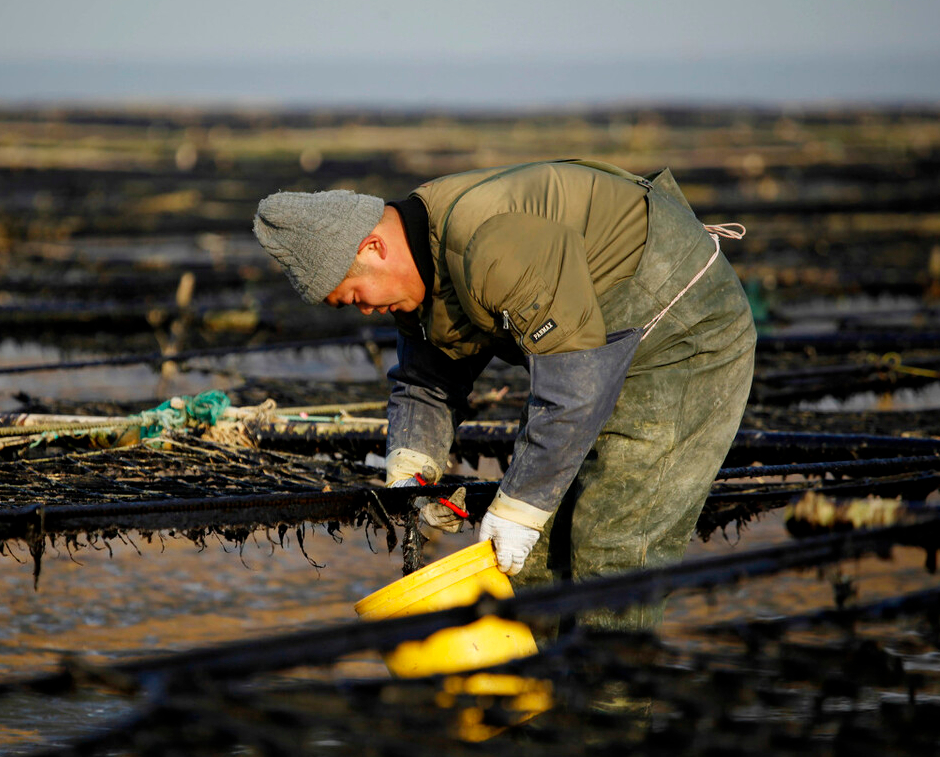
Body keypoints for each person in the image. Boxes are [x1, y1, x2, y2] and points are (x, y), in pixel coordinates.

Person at [252, 159, 755, 630]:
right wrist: (411, 477)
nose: (363, 312)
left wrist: (520, 508)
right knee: (525, 559)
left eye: (356, 296)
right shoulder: (415, 278)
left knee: (612, 544)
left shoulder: (488, 244)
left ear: (373, 247)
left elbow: (573, 392)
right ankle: (535, 704)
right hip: (592, 352)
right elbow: (424, 383)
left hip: (682, 336)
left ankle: (607, 712)